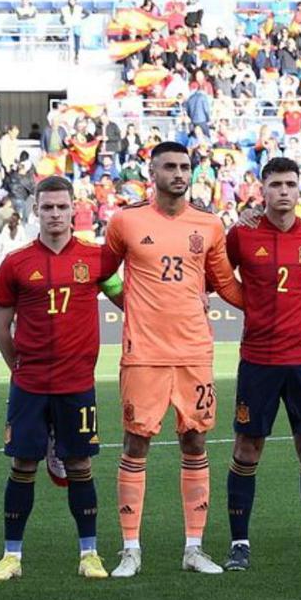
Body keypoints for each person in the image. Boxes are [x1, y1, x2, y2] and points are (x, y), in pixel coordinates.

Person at [104, 142, 245, 577]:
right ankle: (131, 549)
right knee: (135, 443)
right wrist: (131, 304)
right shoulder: (125, 220)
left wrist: (272, 305)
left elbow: (226, 285)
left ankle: (194, 547)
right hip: (143, 355)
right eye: (170, 166)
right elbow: (102, 273)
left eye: (185, 166)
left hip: (194, 354)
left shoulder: (209, 223)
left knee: (195, 442)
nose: (179, 173)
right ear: (152, 171)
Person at [0, 177, 123, 581]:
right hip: (30, 385)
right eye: (47, 207)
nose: (54, 214)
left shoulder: (98, 259)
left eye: (61, 207)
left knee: (80, 464)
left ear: (74, 210)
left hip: (76, 384)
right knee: (23, 464)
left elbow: (129, 299)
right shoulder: (15, 263)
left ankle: (90, 554)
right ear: (36, 210)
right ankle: (11, 556)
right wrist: (19, 366)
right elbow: (1, 327)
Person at [221, 158, 301, 570]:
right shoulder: (243, 233)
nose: (284, 191)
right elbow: (219, 276)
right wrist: (250, 305)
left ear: (300, 189)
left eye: (291, 184)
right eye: (276, 184)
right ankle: (239, 544)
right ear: (263, 189)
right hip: (258, 359)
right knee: (247, 448)